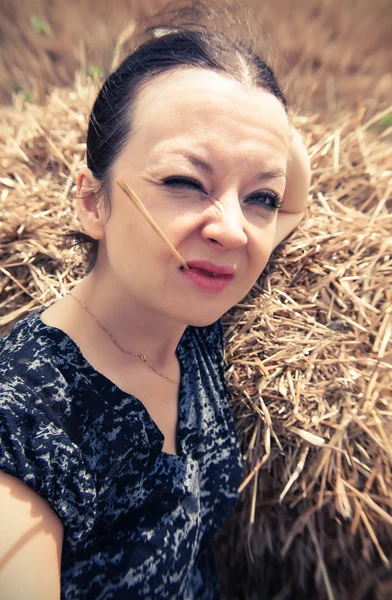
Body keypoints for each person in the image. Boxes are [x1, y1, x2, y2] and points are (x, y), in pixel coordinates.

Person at [0, 9, 310, 600]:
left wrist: (239, 97)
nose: (234, 232)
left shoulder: (194, 321)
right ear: (93, 203)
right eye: (185, 182)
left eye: (258, 196)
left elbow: (296, 193)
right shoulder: (24, 427)